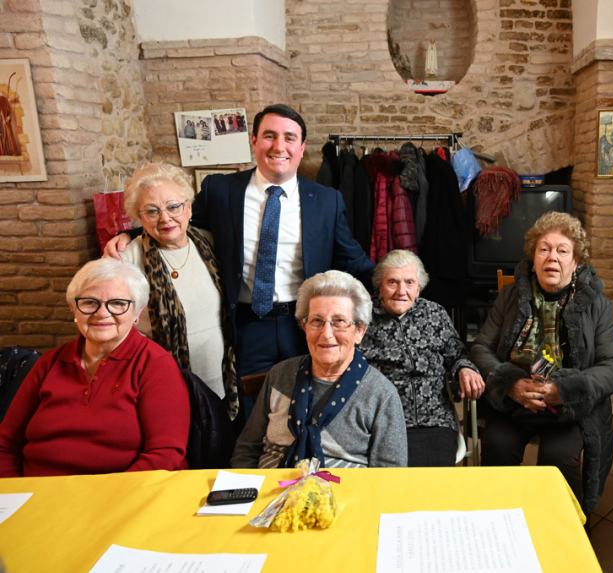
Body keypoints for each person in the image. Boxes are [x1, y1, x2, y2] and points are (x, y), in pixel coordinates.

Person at [105, 104, 374, 418]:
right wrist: (134, 232)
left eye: (289, 138)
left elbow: (353, 258)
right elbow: (179, 218)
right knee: (249, 413)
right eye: (269, 136)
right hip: (245, 324)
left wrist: (395, 284)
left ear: (301, 149)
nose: (279, 146)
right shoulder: (222, 190)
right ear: (254, 142)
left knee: (307, 405)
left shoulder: (326, 200)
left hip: (304, 324)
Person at [470, 211, 613, 515]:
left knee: (559, 457)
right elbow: (481, 348)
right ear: (533, 258)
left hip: (569, 409)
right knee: (497, 446)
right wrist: (510, 383)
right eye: (544, 249)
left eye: (562, 250)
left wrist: (567, 390)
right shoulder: (511, 297)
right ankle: (500, 521)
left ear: (576, 261)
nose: (552, 258)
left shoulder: (596, 304)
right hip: (515, 402)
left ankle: (562, 531)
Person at [0, 258, 190, 476]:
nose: (102, 313)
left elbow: (165, 453)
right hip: (39, 494)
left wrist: (107, 498)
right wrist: (12, 492)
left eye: (118, 303)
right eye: (90, 302)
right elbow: (5, 443)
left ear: (137, 313)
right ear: (74, 309)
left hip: (121, 495)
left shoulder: (154, 364)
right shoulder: (49, 363)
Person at [231, 270, 407, 468]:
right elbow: (247, 449)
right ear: (304, 326)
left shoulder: (381, 394)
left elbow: (390, 475)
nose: (326, 334)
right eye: (316, 321)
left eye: (339, 322)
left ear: (359, 331)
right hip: (271, 492)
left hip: (345, 495)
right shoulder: (280, 375)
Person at [117, 161, 237, 418]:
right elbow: (118, 328)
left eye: (173, 207)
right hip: (162, 381)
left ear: (189, 208)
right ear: (139, 217)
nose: (165, 218)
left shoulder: (208, 242)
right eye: (152, 211)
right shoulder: (127, 259)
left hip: (220, 376)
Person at [360, 250, 485, 466]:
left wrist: (466, 368)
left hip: (433, 419)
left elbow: (456, 352)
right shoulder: (363, 318)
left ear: (419, 288)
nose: (401, 291)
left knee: (429, 480)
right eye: (392, 282)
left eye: (409, 282)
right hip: (380, 419)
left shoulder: (434, 313)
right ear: (379, 286)